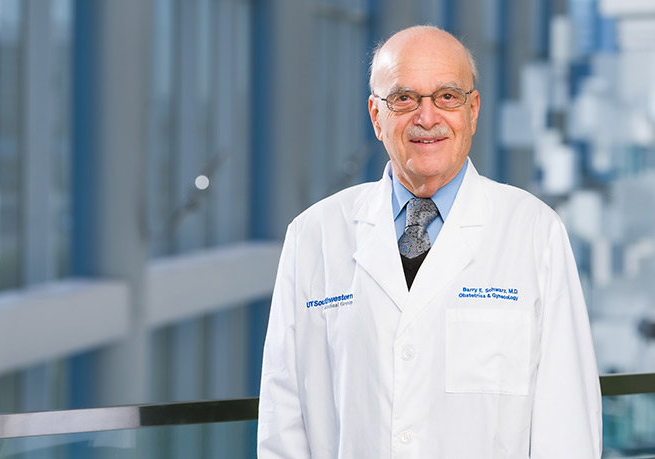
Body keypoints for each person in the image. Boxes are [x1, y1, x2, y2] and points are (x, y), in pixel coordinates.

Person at [257, 25, 602, 458]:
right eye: (403, 98)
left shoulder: (535, 232)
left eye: (447, 97)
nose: (426, 117)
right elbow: (283, 419)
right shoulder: (313, 236)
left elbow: (566, 424)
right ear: (375, 116)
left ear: (472, 110)